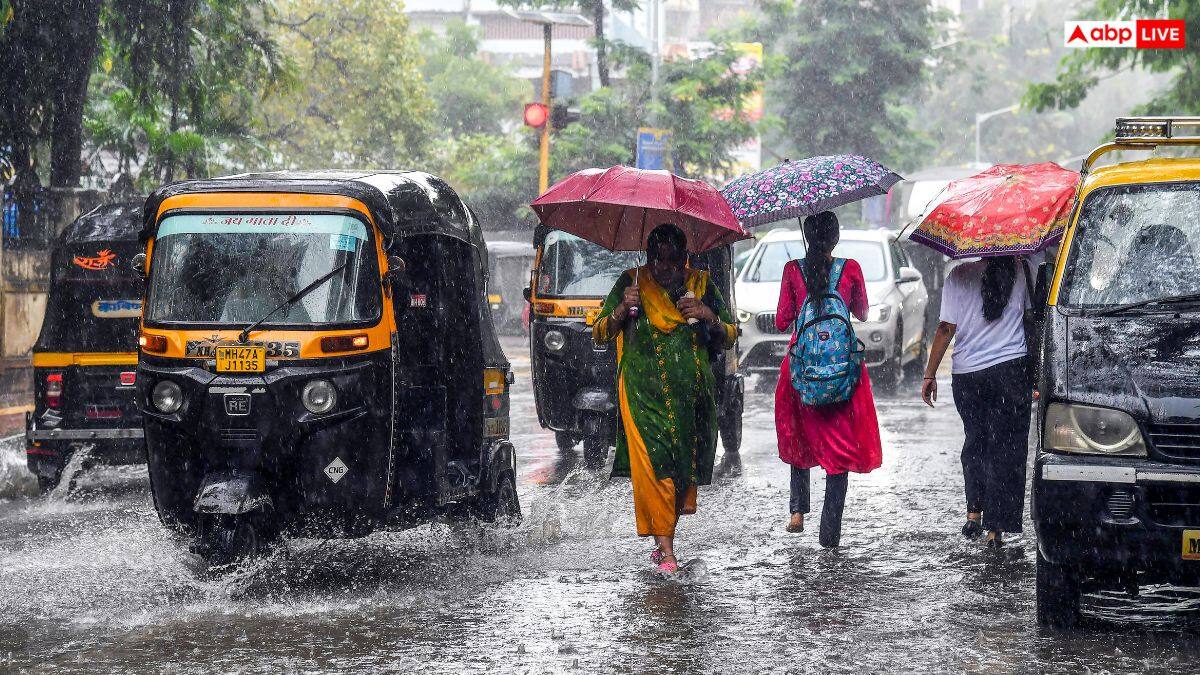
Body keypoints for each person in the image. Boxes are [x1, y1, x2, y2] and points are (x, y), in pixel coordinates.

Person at [594, 223, 737, 573]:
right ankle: (667, 551)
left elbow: (731, 334)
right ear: (648, 258)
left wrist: (707, 315)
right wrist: (620, 311)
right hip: (643, 394)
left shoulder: (701, 284)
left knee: (680, 471)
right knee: (656, 466)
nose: (665, 269)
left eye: (673, 262)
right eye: (658, 261)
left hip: (691, 397)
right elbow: (599, 332)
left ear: (685, 259)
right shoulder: (631, 283)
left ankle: (663, 540)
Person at [774, 212, 882, 547]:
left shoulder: (793, 270)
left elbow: (781, 322)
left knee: (799, 435)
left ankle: (797, 509)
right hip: (842, 371)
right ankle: (829, 535)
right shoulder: (849, 269)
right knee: (839, 452)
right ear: (836, 238)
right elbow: (862, 313)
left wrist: (800, 291)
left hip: (802, 368)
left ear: (807, 235)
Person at [921, 255, 1031, 548]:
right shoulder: (1021, 268)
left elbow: (946, 328)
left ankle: (974, 513)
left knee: (976, 442)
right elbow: (1032, 319)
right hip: (1010, 370)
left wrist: (930, 374)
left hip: (968, 376)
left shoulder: (958, 274)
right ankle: (996, 528)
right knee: (1005, 448)